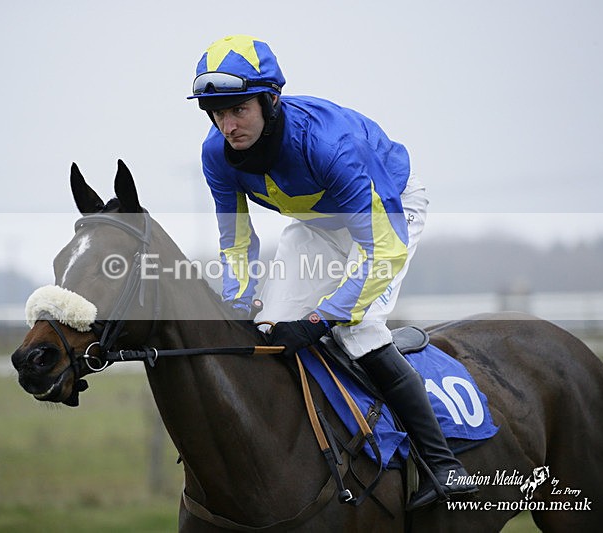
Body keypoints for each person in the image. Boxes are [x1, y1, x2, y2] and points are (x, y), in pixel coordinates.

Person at [188, 34, 477, 510]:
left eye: (238, 109)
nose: (227, 124)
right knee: (267, 330)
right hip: (319, 226)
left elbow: (381, 247)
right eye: (216, 113)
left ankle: (443, 464)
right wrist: (239, 306)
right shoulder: (216, 155)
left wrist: (323, 317)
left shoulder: (327, 144)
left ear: (270, 99)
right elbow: (236, 242)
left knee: (356, 328)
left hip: (389, 212)